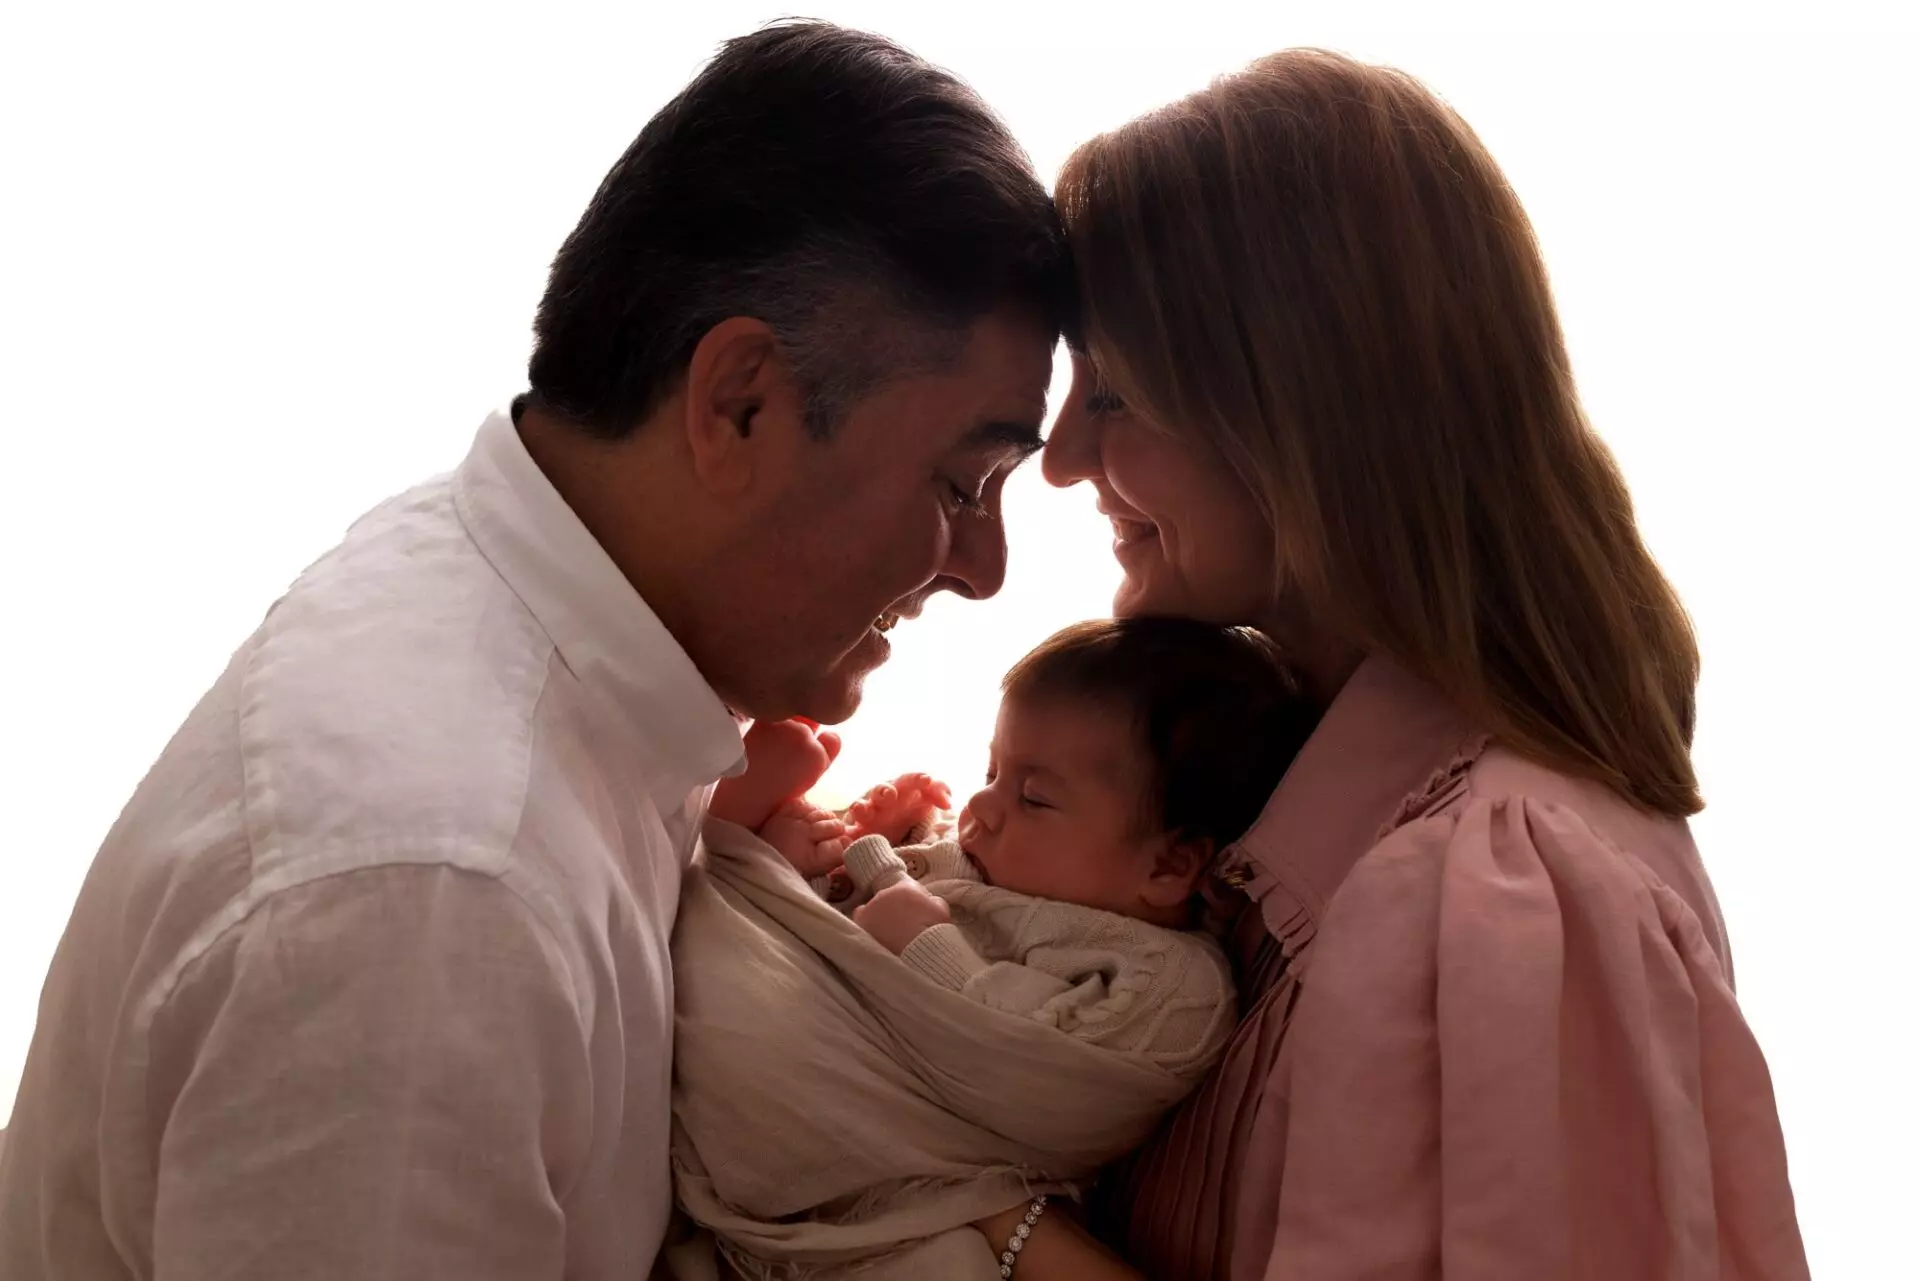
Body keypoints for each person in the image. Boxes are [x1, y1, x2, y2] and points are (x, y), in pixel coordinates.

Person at [0, 21, 1068, 1280]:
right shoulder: (434, 898)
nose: (986, 570)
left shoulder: (544, 611)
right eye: (961, 483)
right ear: (740, 403)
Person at [971, 49, 1811, 1281]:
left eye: (1115, 394)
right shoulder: (1298, 837)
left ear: (1302, 412)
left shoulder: (1507, 884)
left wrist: (976, 1221)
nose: (1058, 459)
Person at [670, 617, 1316, 1280]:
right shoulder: (991, 864)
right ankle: (750, 849)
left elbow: (1042, 1066)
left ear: (1170, 864)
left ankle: (736, 844)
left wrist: (927, 945)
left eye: (1033, 796)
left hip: (894, 1150)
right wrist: (862, 845)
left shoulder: (1169, 980)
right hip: (824, 1019)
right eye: (992, 769)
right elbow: (872, 912)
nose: (982, 801)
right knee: (746, 917)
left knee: (945, 1262)